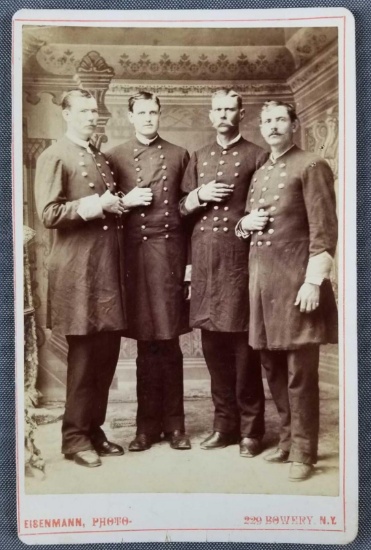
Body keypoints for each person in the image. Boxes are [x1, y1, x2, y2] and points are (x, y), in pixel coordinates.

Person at [236, 100, 338, 481]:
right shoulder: (262, 170)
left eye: (281, 119)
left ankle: (305, 453)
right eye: (267, 121)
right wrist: (246, 222)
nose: (273, 126)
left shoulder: (311, 165)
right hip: (263, 286)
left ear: (294, 124)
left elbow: (325, 230)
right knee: (272, 367)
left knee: (299, 372)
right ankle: (287, 441)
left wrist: (314, 280)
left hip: (297, 284)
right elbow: (247, 228)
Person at [35, 89, 127, 468]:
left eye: (95, 111)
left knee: (106, 356)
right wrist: (98, 205)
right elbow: (48, 212)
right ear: (67, 114)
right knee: (85, 359)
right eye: (85, 111)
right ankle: (74, 439)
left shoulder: (100, 158)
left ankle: (93, 429)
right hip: (77, 275)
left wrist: (117, 205)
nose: (93, 117)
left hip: (105, 272)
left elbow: (105, 209)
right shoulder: (54, 155)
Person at [180, 88, 267, 457]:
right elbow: (181, 208)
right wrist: (199, 195)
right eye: (217, 109)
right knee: (213, 350)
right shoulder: (198, 156)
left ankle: (251, 431)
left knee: (244, 352)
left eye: (229, 109)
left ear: (241, 114)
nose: (222, 115)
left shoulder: (258, 155)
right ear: (209, 114)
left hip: (239, 262)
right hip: (204, 265)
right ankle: (223, 426)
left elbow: (267, 209)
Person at [106, 91, 191, 452]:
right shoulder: (113, 156)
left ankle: (175, 426)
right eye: (141, 113)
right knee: (146, 346)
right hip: (135, 260)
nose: (147, 118)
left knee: (169, 343)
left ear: (160, 114)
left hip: (169, 257)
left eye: (153, 112)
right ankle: (145, 427)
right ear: (130, 117)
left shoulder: (178, 154)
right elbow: (106, 212)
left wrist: (188, 267)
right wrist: (126, 203)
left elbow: (189, 213)